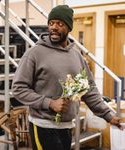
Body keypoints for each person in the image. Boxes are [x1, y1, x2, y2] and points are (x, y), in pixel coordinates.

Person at [12, 5, 122, 150]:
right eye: (51, 23)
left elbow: (88, 90)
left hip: (66, 126)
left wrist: (109, 115)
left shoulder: (76, 56)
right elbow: (18, 89)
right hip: (42, 126)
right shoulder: (34, 53)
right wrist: (49, 103)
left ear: (69, 27)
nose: (54, 27)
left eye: (60, 23)